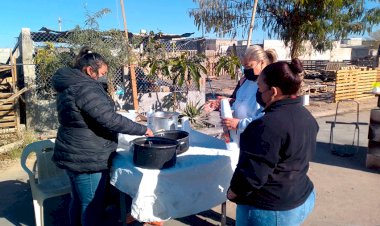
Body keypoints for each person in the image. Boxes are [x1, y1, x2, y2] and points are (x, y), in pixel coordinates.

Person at [51, 46, 153, 226]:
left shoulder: (69, 84)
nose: (102, 77)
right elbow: (109, 119)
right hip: (87, 157)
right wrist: (142, 130)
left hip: (73, 151)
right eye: (101, 73)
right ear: (90, 70)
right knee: (91, 205)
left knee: (78, 200)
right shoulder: (85, 87)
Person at [227, 58, 319, 226]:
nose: (258, 93)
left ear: (274, 92)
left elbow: (252, 174)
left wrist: (233, 191)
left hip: (272, 209)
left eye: (260, 88)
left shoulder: (265, 126)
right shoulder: (307, 116)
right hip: (302, 196)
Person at [207, 45, 277, 144]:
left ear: (262, 63)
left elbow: (267, 116)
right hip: (238, 138)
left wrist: (239, 124)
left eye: (249, 66)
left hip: (256, 140)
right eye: (244, 67)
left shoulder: (269, 86)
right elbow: (240, 101)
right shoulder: (245, 82)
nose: (246, 70)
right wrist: (226, 104)